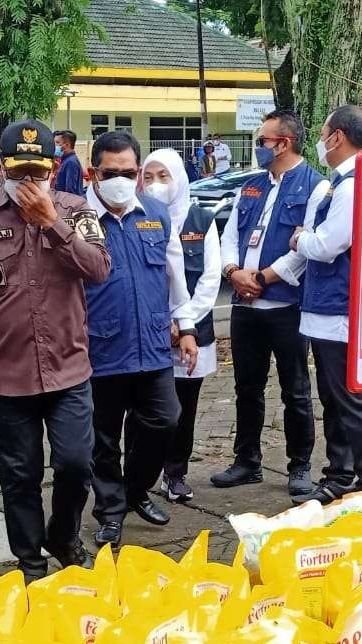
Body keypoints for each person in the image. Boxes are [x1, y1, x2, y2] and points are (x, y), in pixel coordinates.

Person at [0, 120, 111, 580]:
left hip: (69, 370)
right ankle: (31, 561)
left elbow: (98, 269)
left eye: (38, 174)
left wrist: (52, 224)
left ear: (54, 170)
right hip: (7, 373)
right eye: (20, 175)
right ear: (0, 168)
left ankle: (62, 534)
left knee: (76, 464)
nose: (29, 184)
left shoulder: (76, 211)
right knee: (20, 476)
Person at [83, 131, 204, 546]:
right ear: (93, 172)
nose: (120, 179)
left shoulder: (156, 212)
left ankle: (134, 492)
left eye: (128, 172)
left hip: (152, 344)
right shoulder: (77, 218)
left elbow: (175, 275)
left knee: (164, 420)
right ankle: (111, 511)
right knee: (102, 439)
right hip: (100, 347)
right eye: (110, 172)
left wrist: (185, 327)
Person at [213, 110, 323, 496]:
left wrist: (261, 278)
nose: (259, 146)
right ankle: (246, 462)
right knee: (247, 386)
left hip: (287, 306)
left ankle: (299, 466)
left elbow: (306, 247)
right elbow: (228, 234)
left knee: (295, 390)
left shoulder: (316, 187)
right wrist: (233, 272)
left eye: (263, 140)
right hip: (246, 307)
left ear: (283, 143)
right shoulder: (252, 186)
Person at [287, 105, 362, 504]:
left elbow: (327, 245)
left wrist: (299, 240)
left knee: (348, 400)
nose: (320, 142)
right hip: (329, 309)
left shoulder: (351, 185)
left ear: (337, 137)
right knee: (335, 398)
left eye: (323, 133)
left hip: (339, 309)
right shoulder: (345, 182)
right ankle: (341, 474)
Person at [144, 149, 221, 504]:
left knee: (184, 408)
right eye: (149, 176)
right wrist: (162, 321)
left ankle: (175, 473)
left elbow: (209, 279)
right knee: (146, 409)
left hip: (192, 334)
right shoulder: (136, 217)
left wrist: (183, 321)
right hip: (148, 332)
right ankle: (142, 473)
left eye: (164, 176)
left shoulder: (201, 220)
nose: (156, 184)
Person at [54, 130, 85, 197]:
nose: (54, 145)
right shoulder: (65, 160)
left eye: (57, 142)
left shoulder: (71, 162)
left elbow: (70, 191)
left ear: (67, 145)